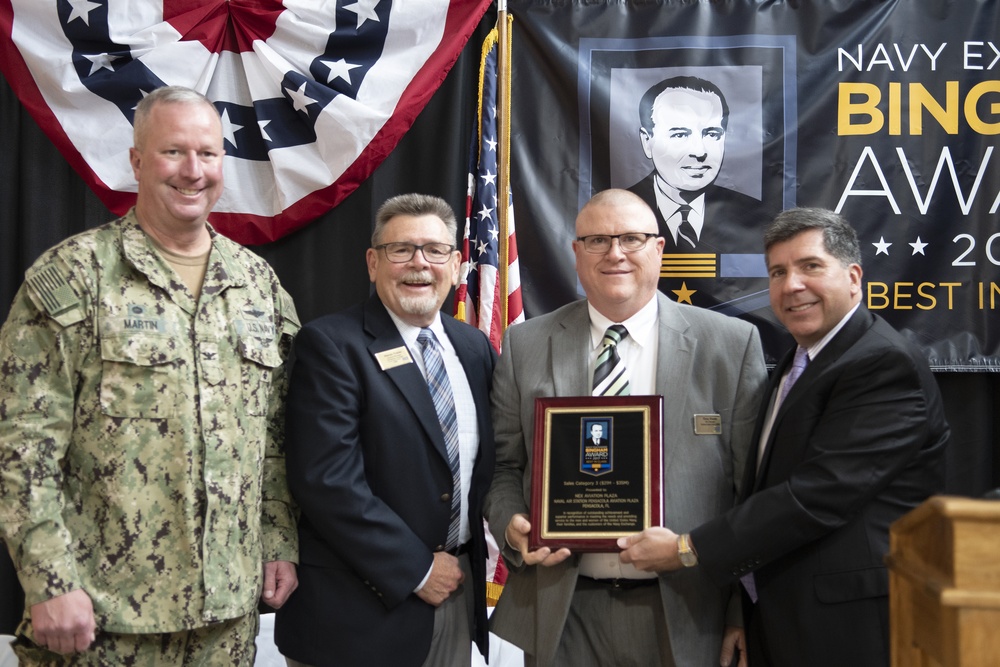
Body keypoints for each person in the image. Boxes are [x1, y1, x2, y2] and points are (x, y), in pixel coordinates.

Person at [0, 85, 300, 665]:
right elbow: (22, 446)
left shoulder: (257, 285)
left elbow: (276, 436)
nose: (193, 171)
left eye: (208, 154)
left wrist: (277, 541)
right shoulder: (75, 276)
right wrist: (49, 581)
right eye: (173, 152)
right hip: (101, 619)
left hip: (226, 619)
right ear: (137, 161)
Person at [620, 207, 950, 666]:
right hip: (783, 615)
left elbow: (817, 495)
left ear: (854, 277)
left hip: (848, 627)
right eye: (778, 272)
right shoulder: (803, 361)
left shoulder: (881, 363)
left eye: (810, 266)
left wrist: (686, 548)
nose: (791, 285)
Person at [484, 189, 768, 666]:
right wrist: (513, 529)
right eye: (597, 240)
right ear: (575, 253)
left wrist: (742, 610)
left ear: (659, 248)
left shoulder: (731, 345)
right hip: (564, 612)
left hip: (688, 612)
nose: (615, 253)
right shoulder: (525, 344)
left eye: (632, 239)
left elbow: (751, 493)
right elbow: (505, 466)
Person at [274, 194, 497, 667]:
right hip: (356, 614)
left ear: (456, 265)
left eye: (435, 250)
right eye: (402, 250)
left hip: (454, 596)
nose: (420, 263)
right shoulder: (331, 345)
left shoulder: (473, 347)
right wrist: (416, 569)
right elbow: (326, 480)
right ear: (373, 263)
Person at [627, 75, 763, 254]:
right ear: (647, 142)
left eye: (712, 134)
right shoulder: (618, 212)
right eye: (680, 135)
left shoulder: (757, 218)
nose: (699, 152)